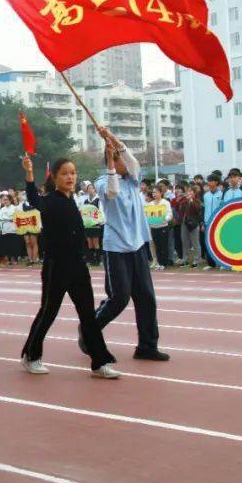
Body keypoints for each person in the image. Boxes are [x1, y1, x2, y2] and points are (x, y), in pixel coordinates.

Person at [19, 156, 118, 377]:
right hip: (57, 266)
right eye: (64, 173)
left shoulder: (73, 199)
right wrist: (29, 174)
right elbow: (34, 199)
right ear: (54, 178)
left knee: (88, 315)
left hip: (78, 266)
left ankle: (99, 362)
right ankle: (31, 355)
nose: (70, 177)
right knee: (48, 312)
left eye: (73, 172)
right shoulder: (51, 200)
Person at [85, 127, 168, 362]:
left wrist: (110, 136)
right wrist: (111, 161)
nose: (125, 160)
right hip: (116, 248)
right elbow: (112, 191)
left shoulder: (133, 180)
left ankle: (147, 346)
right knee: (119, 298)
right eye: (118, 157)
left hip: (138, 245)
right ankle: (89, 330)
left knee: (146, 298)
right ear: (111, 161)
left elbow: (131, 159)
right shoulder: (103, 182)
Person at [147, 187, 172, 270]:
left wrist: (165, 219)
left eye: (156, 192)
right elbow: (148, 215)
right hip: (153, 227)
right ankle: (158, 262)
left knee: (163, 245)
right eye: (153, 193)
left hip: (163, 227)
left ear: (161, 193)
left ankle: (164, 263)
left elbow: (170, 214)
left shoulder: (165, 203)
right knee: (156, 246)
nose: (154, 194)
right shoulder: (150, 204)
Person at [180, 184, 203, 267]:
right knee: (184, 241)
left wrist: (191, 201)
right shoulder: (184, 201)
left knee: (195, 242)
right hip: (184, 223)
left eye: (191, 191)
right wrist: (185, 199)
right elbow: (181, 208)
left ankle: (197, 259)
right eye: (188, 191)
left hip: (194, 224)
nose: (189, 193)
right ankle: (184, 259)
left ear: (194, 193)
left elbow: (197, 210)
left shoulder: (197, 201)